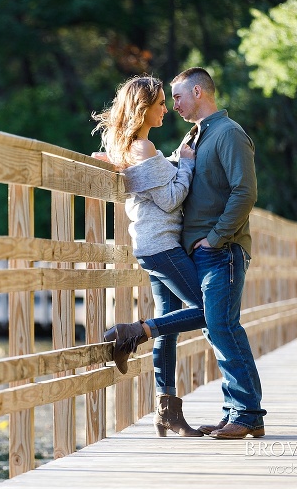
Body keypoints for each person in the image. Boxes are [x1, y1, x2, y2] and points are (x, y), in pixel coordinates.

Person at [92, 75, 206, 437]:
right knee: (209, 308)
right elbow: (171, 198)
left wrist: (175, 160)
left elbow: (156, 180)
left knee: (170, 327)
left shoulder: (131, 146)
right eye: (159, 103)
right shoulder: (143, 148)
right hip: (162, 246)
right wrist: (186, 163)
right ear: (143, 108)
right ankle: (134, 331)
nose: (165, 109)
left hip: (151, 246)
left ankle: (167, 412)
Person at [168, 67, 266, 440]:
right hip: (205, 252)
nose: (174, 104)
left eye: (177, 96)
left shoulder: (229, 133)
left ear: (198, 91)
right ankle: (234, 411)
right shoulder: (197, 136)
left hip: (221, 251)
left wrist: (216, 238)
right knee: (217, 329)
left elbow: (245, 192)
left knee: (223, 327)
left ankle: (249, 413)